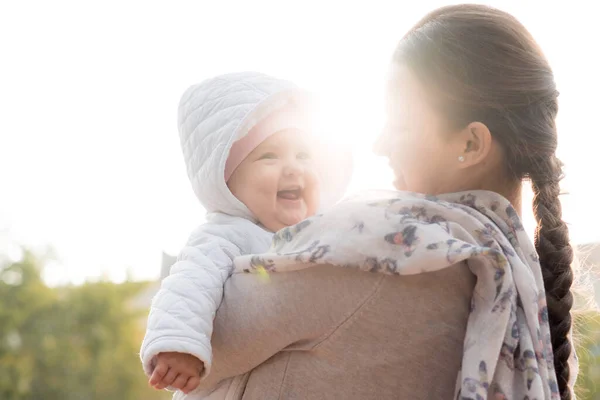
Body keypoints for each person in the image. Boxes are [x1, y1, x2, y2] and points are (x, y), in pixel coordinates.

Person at [178, 5, 579, 400]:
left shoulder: (386, 256)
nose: (379, 144)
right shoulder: (523, 290)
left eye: (400, 124)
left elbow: (201, 337)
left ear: (470, 144)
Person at [140, 72, 352, 396]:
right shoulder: (224, 237)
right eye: (269, 155)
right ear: (227, 180)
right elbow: (188, 286)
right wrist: (179, 345)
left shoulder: (324, 234)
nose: (293, 167)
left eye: (304, 155)